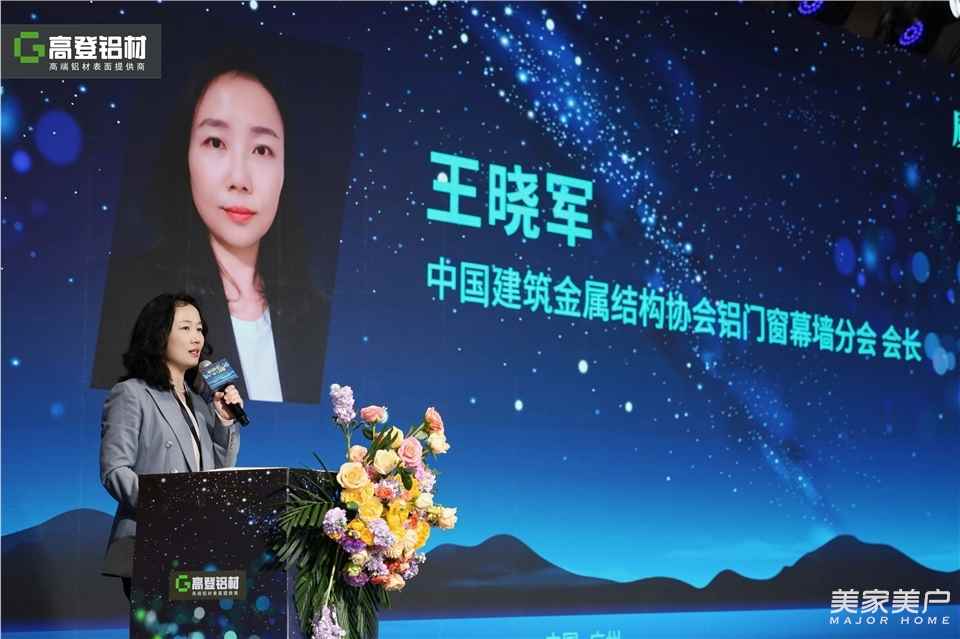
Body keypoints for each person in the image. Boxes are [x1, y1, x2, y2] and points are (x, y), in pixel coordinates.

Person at [91, 47, 333, 403]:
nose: (240, 179)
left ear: (286, 169)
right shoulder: (135, 301)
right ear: (185, 154)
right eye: (216, 142)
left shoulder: (317, 313)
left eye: (262, 150)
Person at [99, 293, 243, 599]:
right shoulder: (132, 393)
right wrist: (168, 509)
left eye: (200, 329)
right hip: (149, 542)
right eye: (185, 328)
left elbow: (217, 471)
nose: (197, 337)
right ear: (159, 334)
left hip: (198, 544)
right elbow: (115, 471)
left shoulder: (200, 404)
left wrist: (225, 420)